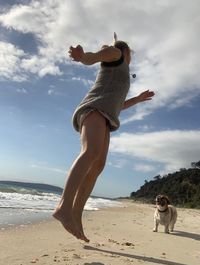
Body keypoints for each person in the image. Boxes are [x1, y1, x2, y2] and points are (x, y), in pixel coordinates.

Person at [53, 37, 155, 242]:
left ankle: (76, 216)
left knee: (98, 165)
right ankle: (64, 207)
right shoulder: (115, 53)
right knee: (90, 152)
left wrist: (138, 99)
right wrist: (82, 57)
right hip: (94, 109)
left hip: (107, 116)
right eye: (131, 54)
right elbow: (95, 57)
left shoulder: (122, 72)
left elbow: (117, 104)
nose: (131, 58)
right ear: (126, 51)